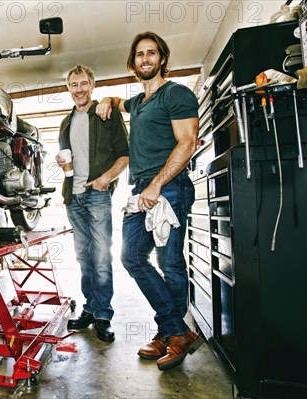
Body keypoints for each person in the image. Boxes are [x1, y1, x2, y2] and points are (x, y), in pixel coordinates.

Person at [96, 32, 202, 370]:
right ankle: (175, 331)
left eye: (151, 53)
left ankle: (169, 333)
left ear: (162, 58)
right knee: (131, 257)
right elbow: (118, 101)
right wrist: (108, 101)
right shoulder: (139, 103)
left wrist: (157, 185)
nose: (145, 59)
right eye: (140, 54)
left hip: (168, 187)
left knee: (170, 263)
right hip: (141, 190)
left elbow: (187, 142)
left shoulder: (177, 93)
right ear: (133, 63)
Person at [56, 64, 129, 343]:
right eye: (74, 85)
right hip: (72, 197)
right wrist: (61, 161)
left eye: (84, 83)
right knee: (84, 258)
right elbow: (66, 157)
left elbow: (125, 154)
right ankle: (89, 309)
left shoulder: (105, 114)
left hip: (97, 195)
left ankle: (103, 315)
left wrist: (105, 180)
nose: (79, 89)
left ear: (92, 85)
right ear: (69, 89)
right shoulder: (65, 122)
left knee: (100, 258)